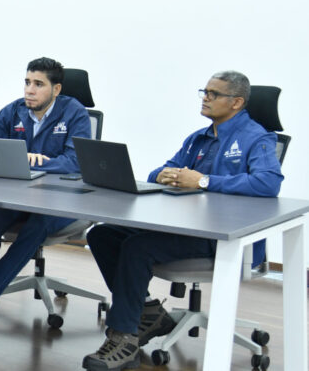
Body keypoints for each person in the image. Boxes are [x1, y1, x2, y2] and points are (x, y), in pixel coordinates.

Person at [82, 71, 283, 371]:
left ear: (237, 102)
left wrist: (203, 181)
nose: (205, 98)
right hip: (189, 225)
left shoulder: (257, 138)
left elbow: (268, 183)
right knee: (102, 235)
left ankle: (123, 337)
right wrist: (161, 175)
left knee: (138, 247)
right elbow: (162, 171)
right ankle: (148, 312)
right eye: (205, 91)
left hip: (223, 236)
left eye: (214, 94)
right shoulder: (199, 138)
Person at [0, 57, 91, 342]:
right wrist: (10, 157)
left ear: (56, 89)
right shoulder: (15, 111)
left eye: (38, 84)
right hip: (20, 196)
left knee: (38, 226)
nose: (29, 90)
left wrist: (41, 162)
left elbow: (76, 161)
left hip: (62, 201)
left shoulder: (75, 113)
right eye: (27, 82)